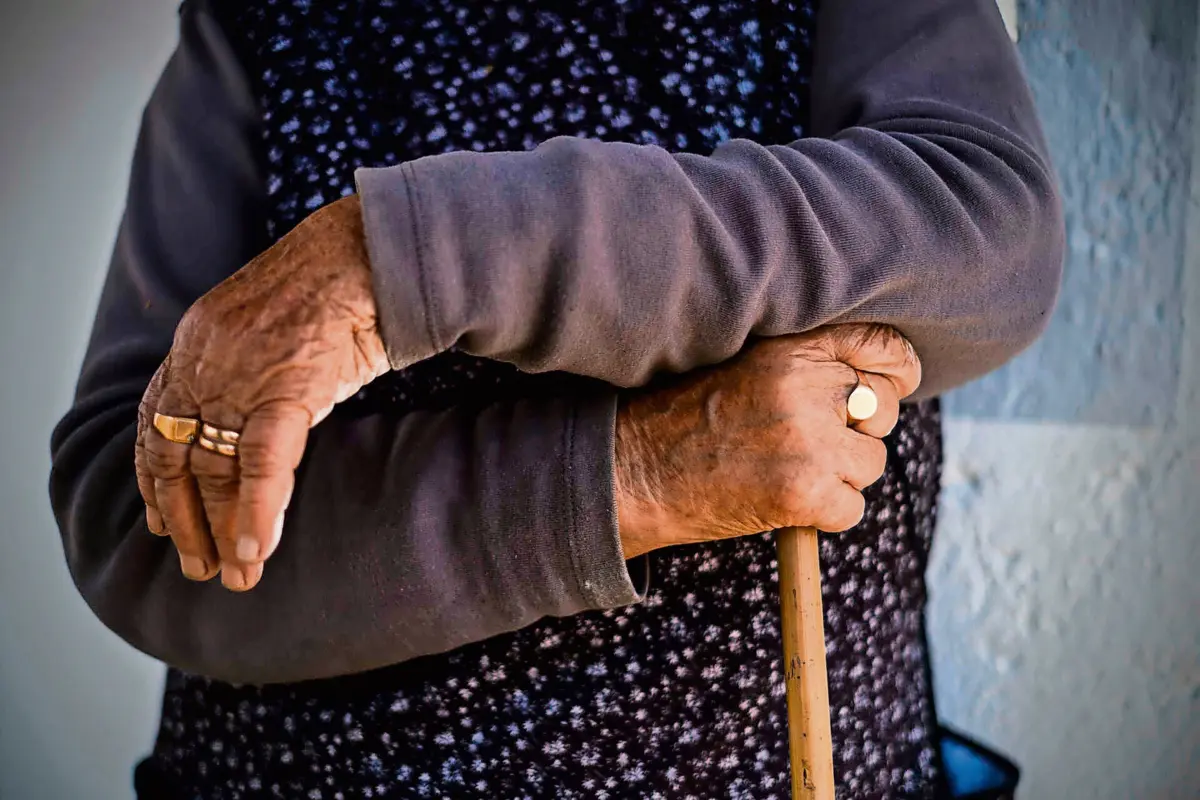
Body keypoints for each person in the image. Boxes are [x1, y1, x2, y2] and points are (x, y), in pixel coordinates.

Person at [49, 0, 1063, 797]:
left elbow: (982, 231)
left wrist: (398, 262)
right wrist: (634, 474)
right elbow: (140, 511)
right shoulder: (265, 21)